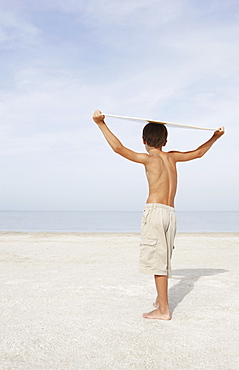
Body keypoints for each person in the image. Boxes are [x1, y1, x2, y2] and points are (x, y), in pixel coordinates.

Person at [92, 110, 224, 320]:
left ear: (143, 140)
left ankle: (163, 310)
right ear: (165, 140)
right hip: (170, 213)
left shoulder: (148, 159)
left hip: (154, 212)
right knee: (163, 259)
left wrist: (100, 124)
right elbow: (199, 153)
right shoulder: (172, 157)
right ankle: (160, 300)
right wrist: (215, 137)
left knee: (157, 261)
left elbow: (118, 148)